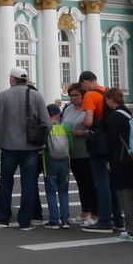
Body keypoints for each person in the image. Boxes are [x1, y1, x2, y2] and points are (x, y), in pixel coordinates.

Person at [0, 67, 49, 229]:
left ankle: (3, 218)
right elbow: (46, 123)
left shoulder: (2, 96)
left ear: (13, 79)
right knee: (28, 183)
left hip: (8, 146)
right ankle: (25, 221)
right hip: (30, 147)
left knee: (6, 181)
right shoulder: (36, 95)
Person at [76, 70, 119, 233]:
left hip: (98, 144)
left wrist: (84, 122)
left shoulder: (90, 95)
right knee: (112, 183)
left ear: (85, 81)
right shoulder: (107, 92)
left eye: (82, 85)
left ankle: (104, 220)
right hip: (111, 142)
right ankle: (118, 220)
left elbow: (88, 121)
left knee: (100, 183)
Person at [105, 87, 133, 243]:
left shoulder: (114, 117)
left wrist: (109, 160)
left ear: (110, 100)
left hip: (121, 160)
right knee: (129, 195)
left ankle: (132, 231)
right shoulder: (130, 114)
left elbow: (111, 142)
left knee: (125, 197)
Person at [61, 85, 95, 223]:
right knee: (81, 183)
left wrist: (80, 133)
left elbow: (94, 130)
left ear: (83, 95)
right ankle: (85, 211)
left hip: (86, 151)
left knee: (90, 183)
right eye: (71, 95)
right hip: (71, 151)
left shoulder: (88, 109)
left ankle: (94, 212)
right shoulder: (68, 108)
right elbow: (63, 123)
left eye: (76, 95)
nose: (74, 98)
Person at [42, 102, 71, 229]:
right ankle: (65, 220)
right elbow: (72, 146)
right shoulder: (66, 128)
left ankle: (54, 220)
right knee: (64, 191)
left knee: (51, 191)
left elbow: (42, 146)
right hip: (65, 161)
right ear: (58, 115)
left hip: (49, 161)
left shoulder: (46, 128)